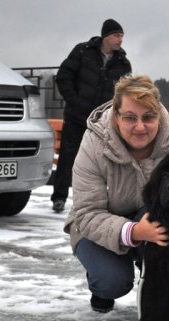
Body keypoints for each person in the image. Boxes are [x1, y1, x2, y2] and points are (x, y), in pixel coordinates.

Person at [63, 75, 169, 313]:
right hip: (96, 226)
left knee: (167, 225)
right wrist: (134, 232)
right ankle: (103, 286)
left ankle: (160, 287)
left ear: (159, 115)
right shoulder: (94, 144)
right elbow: (86, 212)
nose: (140, 127)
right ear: (116, 116)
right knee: (111, 282)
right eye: (130, 118)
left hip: (154, 218)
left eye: (148, 117)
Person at [52, 18, 132, 213]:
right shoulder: (83, 51)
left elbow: (126, 92)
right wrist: (75, 101)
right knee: (67, 158)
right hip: (76, 117)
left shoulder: (123, 63)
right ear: (106, 36)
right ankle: (59, 198)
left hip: (102, 123)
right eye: (117, 35)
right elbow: (63, 76)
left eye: (122, 36)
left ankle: (102, 201)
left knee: (103, 162)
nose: (120, 39)